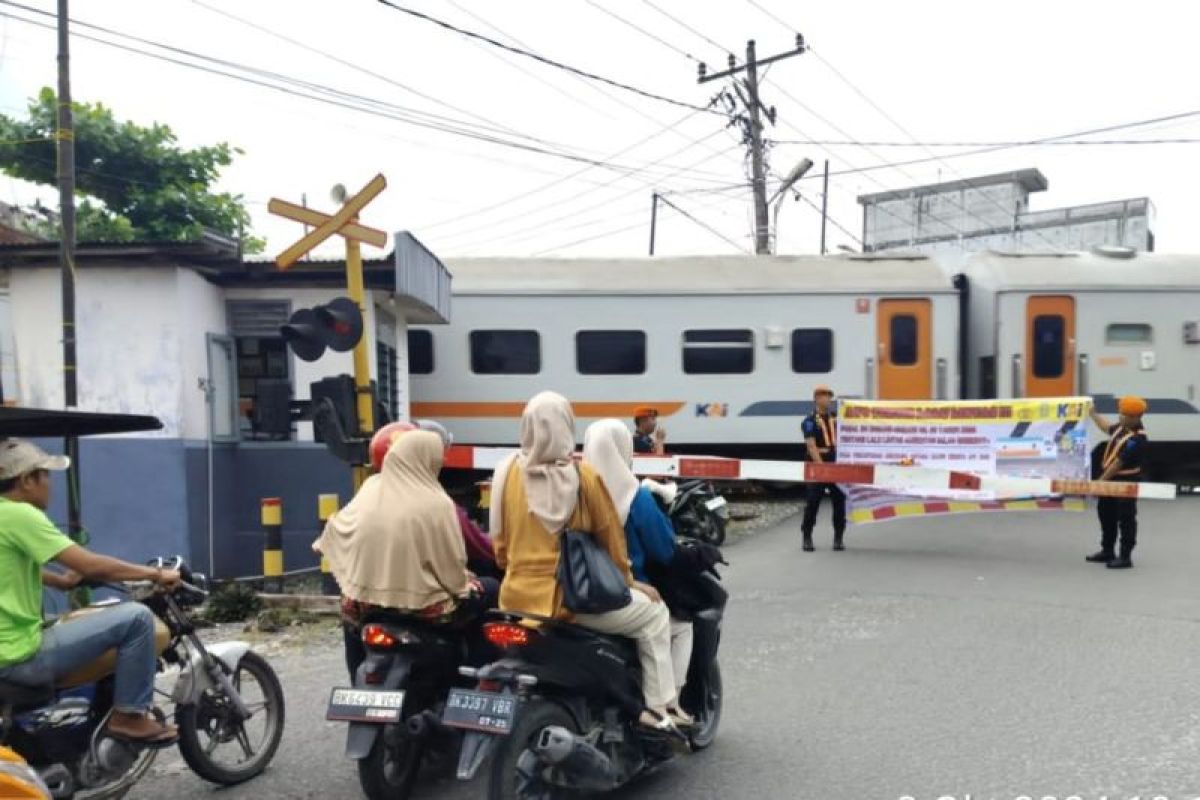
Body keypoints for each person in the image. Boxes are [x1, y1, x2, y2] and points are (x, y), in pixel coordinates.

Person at [490, 392, 684, 732]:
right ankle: (657, 711)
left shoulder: (505, 472)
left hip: (517, 600)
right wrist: (630, 582)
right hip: (572, 602)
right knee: (656, 615)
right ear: (567, 426)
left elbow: (499, 545)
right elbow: (611, 540)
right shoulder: (583, 477)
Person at [0, 439, 182, 746]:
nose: (50, 484)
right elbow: (91, 564)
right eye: (46, 475)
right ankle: (129, 716)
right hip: (17, 655)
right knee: (137, 618)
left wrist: (61, 582)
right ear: (27, 480)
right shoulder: (20, 515)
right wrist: (156, 574)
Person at [316, 431, 499, 682]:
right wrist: (465, 582)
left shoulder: (368, 491)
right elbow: (452, 569)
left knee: (350, 620)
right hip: (422, 606)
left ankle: (355, 682)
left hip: (364, 603)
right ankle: (474, 680)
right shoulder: (436, 502)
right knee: (490, 590)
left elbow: (339, 529)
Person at [583, 418, 694, 725]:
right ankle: (667, 705)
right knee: (679, 625)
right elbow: (664, 550)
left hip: (572, 588)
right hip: (620, 590)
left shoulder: (578, 490)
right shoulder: (635, 496)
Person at [1085, 397, 1149, 570]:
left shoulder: (1137, 439)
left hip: (1125, 482)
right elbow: (1106, 427)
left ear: (1136, 417)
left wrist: (1100, 482)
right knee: (1106, 514)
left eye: (1124, 414)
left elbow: (1118, 464)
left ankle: (1125, 557)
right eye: (1120, 413)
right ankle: (1107, 550)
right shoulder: (1121, 428)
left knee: (1126, 518)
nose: (1120, 416)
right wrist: (1093, 414)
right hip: (1111, 480)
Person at [800, 385, 846, 552]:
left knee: (839, 502)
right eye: (824, 396)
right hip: (818, 463)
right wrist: (822, 468)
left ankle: (838, 538)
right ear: (817, 399)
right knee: (813, 502)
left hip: (835, 462)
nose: (828, 399)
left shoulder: (836, 418)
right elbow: (811, 447)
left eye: (829, 396)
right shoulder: (809, 421)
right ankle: (807, 537)